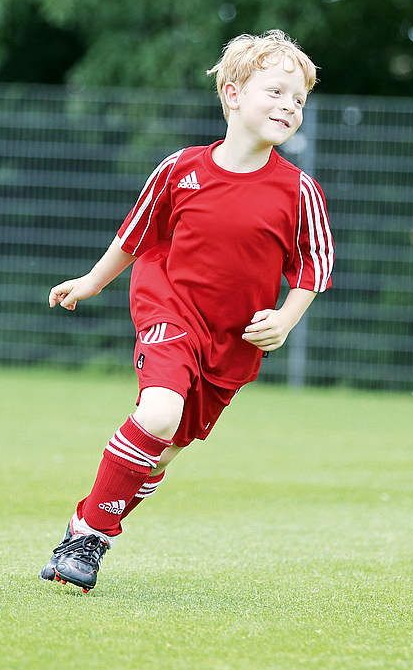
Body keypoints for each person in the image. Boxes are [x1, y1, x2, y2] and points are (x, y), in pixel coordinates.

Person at [40, 30, 334, 592]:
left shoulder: (299, 192)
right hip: (168, 308)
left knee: (162, 452)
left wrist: (285, 320)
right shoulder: (181, 169)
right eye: (275, 92)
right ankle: (91, 541)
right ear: (231, 94)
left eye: (297, 100)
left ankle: (85, 524)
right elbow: (135, 235)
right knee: (158, 414)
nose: (288, 107)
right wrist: (91, 282)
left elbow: (314, 269)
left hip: (234, 342)